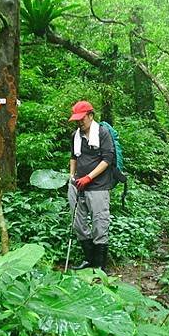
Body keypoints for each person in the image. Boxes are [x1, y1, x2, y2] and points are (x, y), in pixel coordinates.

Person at [67, 100, 114, 271]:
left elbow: (107, 159)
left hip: (99, 186)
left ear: (91, 116)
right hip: (77, 185)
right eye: (77, 119)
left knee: (99, 223)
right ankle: (88, 259)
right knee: (78, 223)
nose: (80, 122)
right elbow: (73, 157)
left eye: (82, 118)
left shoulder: (102, 133)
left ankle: (99, 265)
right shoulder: (76, 135)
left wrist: (89, 177)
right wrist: (72, 176)